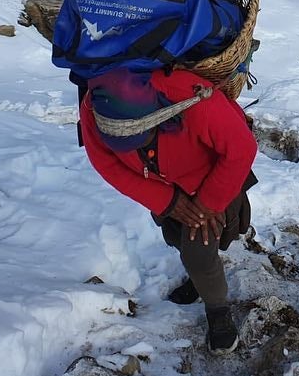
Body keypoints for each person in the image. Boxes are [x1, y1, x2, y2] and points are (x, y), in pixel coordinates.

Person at [79, 66, 258, 355]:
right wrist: (169, 202)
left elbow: (241, 148)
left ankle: (218, 311)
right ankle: (200, 279)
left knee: (199, 250)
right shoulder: (95, 108)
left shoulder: (191, 97)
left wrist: (207, 203)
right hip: (163, 183)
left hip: (211, 178)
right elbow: (107, 165)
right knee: (176, 237)